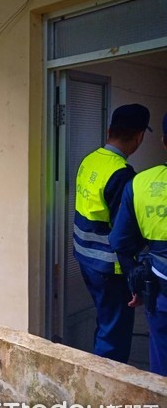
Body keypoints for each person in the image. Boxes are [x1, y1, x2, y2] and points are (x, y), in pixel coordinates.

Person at [73, 103, 151, 363]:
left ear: (109, 130)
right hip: (109, 268)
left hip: (86, 259)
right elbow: (123, 234)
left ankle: (99, 367)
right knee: (114, 336)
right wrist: (134, 276)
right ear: (139, 136)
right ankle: (106, 388)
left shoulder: (90, 159)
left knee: (105, 321)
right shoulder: (122, 174)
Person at [109, 113, 167, 376]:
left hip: (161, 292)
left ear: (164, 142)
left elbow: (121, 243)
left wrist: (135, 282)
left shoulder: (141, 183)